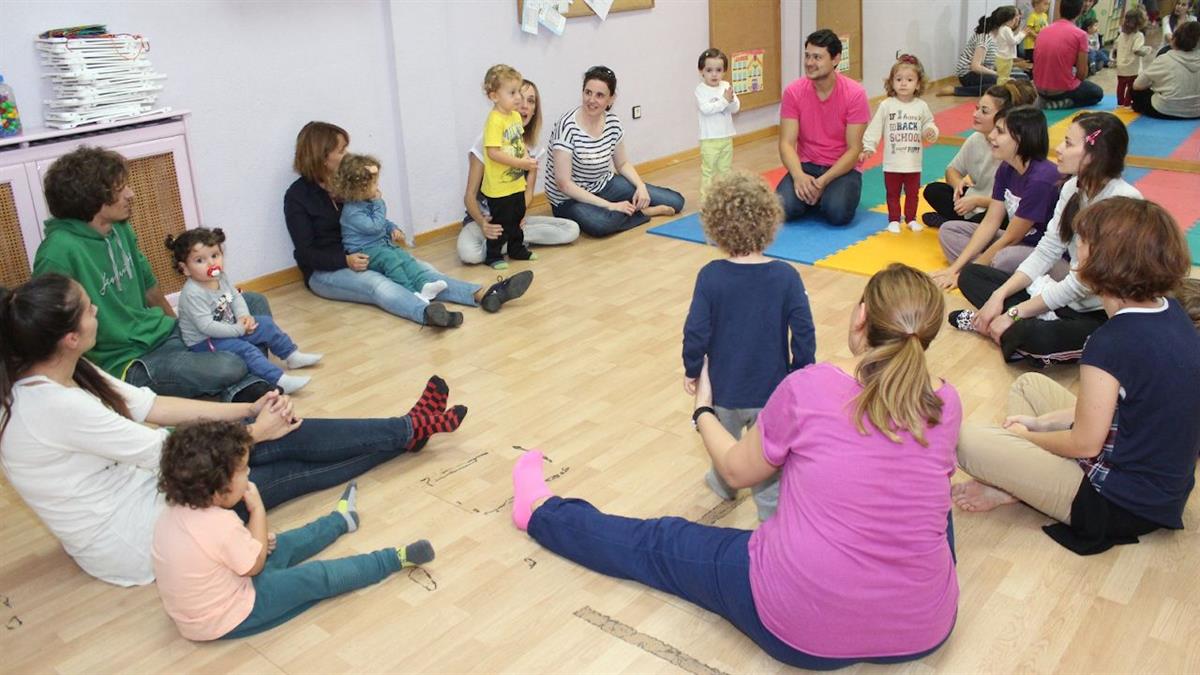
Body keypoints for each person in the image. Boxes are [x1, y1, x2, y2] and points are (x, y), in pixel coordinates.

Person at [511, 263, 960, 669]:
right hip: (924, 628)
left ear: (861, 315)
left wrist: (703, 411)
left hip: (802, 626)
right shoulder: (949, 401)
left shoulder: (810, 387)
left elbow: (735, 472)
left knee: (660, 541)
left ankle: (539, 511)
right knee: (933, 497)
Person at [0, 273, 468, 586]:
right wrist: (256, 433)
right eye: (88, 310)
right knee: (270, 469)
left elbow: (155, 406)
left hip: (150, 487)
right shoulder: (54, 406)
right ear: (69, 337)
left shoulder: (65, 371)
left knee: (289, 435)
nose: (97, 311)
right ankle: (411, 430)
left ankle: (409, 427)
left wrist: (245, 412)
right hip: (141, 537)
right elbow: (176, 457)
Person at [953, 198, 1200, 556]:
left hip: (1117, 504)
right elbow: (1129, 407)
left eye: (1081, 243)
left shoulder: (1112, 342)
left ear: (1106, 259)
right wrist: (1039, 424)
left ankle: (1018, 484)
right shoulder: (1170, 311)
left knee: (965, 440)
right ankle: (1020, 483)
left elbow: (1085, 444)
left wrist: (1027, 439)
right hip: (1163, 490)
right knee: (1028, 386)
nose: (1075, 249)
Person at [32, 146, 272, 403]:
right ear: (94, 197)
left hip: (160, 333)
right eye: (120, 188)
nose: (131, 194)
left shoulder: (119, 229)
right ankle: (245, 386)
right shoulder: (58, 252)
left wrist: (183, 331)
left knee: (254, 302)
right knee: (227, 366)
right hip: (128, 361)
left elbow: (150, 289)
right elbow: (50, 332)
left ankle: (239, 389)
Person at [152, 423, 434, 641]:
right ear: (219, 484)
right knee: (315, 577)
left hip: (209, 602)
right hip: (229, 616)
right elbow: (255, 565)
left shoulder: (174, 512)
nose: (249, 472)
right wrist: (257, 511)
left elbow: (223, 554)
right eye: (243, 470)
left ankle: (341, 520)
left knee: (283, 543)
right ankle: (392, 559)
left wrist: (256, 540)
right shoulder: (219, 525)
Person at [284, 121, 534, 328]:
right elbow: (305, 253)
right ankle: (426, 312)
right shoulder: (297, 197)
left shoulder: (349, 183)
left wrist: (389, 229)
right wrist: (345, 261)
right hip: (327, 271)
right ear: (321, 156)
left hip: (371, 253)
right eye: (341, 150)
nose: (347, 155)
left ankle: (485, 294)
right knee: (377, 285)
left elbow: (372, 218)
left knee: (422, 270)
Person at [949, 113, 1142, 366]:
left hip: (1099, 312)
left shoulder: (1123, 202)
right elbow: (1047, 249)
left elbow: (1083, 283)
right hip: (1063, 299)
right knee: (972, 276)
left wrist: (1015, 312)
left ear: (1094, 155)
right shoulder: (1073, 187)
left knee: (1038, 338)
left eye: (1069, 144)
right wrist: (999, 295)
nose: (1059, 149)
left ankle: (1004, 325)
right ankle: (1012, 323)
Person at [681, 171, 815, 522]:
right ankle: (770, 512)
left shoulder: (710, 275)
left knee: (719, 439)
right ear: (769, 221)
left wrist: (692, 368)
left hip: (723, 387)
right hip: (770, 390)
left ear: (715, 226)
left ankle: (725, 484)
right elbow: (804, 334)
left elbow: (695, 331)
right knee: (764, 458)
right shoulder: (786, 275)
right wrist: (800, 374)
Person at [167, 228, 322, 395]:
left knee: (265, 324)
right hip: (206, 340)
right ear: (185, 269)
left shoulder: (220, 276)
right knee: (245, 349)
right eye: (200, 260)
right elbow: (207, 326)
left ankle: (291, 356)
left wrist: (243, 316)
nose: (212, 263)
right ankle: (279, 381)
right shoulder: (193, 294)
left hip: (230, 326)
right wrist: (239, 329)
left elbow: (234, 296)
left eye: (215, 255)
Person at [544, 66, 685, 237]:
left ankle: (623, 209)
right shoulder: (567, 127)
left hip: (604, 184)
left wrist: (640, 186)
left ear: (611, 99)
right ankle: (645, 213)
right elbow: (564, 184)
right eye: (588, 92)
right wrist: (609, 205)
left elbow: (622, 163)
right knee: (601, 225)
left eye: (600, 95)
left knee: (676, 202)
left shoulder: (613, 123)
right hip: (569, 198)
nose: (591, 100)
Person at [932, 106, 1058, 289]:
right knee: (949, 231)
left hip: (1045, 252)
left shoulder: (1041, 179)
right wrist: (954, 269)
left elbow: (1011, 238)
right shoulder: (1006, 168)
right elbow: (991, 222)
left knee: (1003, 258)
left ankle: (987, 272)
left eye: (999, 132)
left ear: (1021, 139)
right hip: (1018, 243)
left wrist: (964, 276)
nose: (991, 136)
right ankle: (987, 271)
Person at [457, 80, 579, 265]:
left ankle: (509, 241)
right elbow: (469, 196)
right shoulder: (487, 142)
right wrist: (483, 224)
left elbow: (528, 193)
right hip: (484, 220)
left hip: (514, 216)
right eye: (519, 98)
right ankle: (510, 241)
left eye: (531, 101)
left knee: (571, 230)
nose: (524, 106)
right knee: (469, 254)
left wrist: (519, 216)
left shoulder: (533, 146)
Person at [775, 29, 870, 226]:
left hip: (841, 169)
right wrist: (799, 176)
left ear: (835, 59)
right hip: (807, 165)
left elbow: (854, 150)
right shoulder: (793, 92)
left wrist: (823, 181)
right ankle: (813, 196)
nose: (810, 63)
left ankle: (822, 196)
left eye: (817, 57)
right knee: (780, 208)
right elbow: (786, 143)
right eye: (807, 56)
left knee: (837, 213)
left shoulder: (855, 94)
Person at [333, 153, 448, 304]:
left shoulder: (366, 202)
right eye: (374, 184)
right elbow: (375, 226)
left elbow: (383, 222)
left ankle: (423, 285)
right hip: (364, 251)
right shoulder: (352, 211)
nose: (377, 187)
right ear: (360, 189)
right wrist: (380, 202)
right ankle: (410, 292)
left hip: (380, 245)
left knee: (404, 257)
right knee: (390, 260)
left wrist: (393, 228)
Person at [922, 80, 1039, 228]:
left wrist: (977, 201)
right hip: (972, 202)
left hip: (998, 208)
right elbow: (952, 170)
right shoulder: (975, 139)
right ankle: (959, 225)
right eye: (977, 108)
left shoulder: (1013, 148)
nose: (975, 114)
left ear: (1003, 117)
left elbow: (1014, 202)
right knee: (933, 190)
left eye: (984, 111)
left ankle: (955, 225)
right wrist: (958, 183)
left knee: (993, 220)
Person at [860, 54, 940, 233]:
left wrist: (930, 132)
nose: (903, 84)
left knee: (913, 193)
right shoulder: (886, 105)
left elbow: (929, 124)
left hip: (913, 162)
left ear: (918, 84)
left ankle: (911, 218)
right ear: (892, 82)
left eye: (909, 80)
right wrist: (868, 147)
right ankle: (894, 219)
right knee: (893, 193)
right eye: (899, 79)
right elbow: (875, 128)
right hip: (892, 162)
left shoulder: (921, 106)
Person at [478, 64, 539, 269]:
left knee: (517, 216)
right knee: (502, 222)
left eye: (518, 92)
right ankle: (493, 254)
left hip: (515, 183)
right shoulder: (494, 120)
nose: (518, 99)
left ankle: (516, 248)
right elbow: (493, 152)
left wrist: (524, 159)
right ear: (494, 96)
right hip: (499, 187)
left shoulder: (514, 117)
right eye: (512, 93)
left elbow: (517, 143)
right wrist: (522, 164)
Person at [942, 8, 1030, 98]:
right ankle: (957, 90)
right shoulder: (985, 39)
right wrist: (998, 74)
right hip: (968, 75)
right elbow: (975, 67)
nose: (1017, 21)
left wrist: (1015, 65)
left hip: (986, 70)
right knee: (1001, 83)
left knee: (1023, 78)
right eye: (1015, 18)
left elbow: (994, 62)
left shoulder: (1000, 36)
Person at [1035, 0, 1104, 110]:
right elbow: (1081, 74)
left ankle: (1049, 100)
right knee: (1097, 93)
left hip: (1039, 89)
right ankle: (1062, 103)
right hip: (1060, 92)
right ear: (1080, 11)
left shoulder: (1043, 31)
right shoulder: (1080, 35)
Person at [695, 48, 741, 198]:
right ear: (701, 71)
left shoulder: (726, 86)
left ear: (724, 71)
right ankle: (706, 200)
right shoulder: (700, 90)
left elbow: (735, 109)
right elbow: (706, 109)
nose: (714, 74)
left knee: (725, 170)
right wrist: (724, 100)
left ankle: (725, 198)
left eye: (718, 70)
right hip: (709, 139)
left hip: (726, 137)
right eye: (709, 70)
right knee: (708, 171)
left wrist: (732, 100)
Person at [1132, 20, 1200, 118]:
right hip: (1197, 111)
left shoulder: (1165, 58)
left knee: (1135, 91)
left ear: (1175, 38)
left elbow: (1137, 85)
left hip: (1166, 109)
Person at [1115, 6, 1152, 106]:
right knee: (1130, 86)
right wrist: (1147, 51)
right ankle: (1127, 103)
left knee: (1121, 86)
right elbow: (1137, 50)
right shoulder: (1138, 35)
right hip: (1132, 68)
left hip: (1121, 66)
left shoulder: (1122, 34)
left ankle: (1120, 102)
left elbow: (1116, 45)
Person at [996, 7, 1028, 84]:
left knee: (1003, 76)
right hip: (1005, 58)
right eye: (1014, 18)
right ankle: (1000, 90)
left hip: (1004, 58)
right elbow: (1014, 41)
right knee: (1003, 77)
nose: (1016, 20)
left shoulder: (1003, 28)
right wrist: (1022, 34)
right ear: (1008, 19)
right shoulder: (1006, 29)